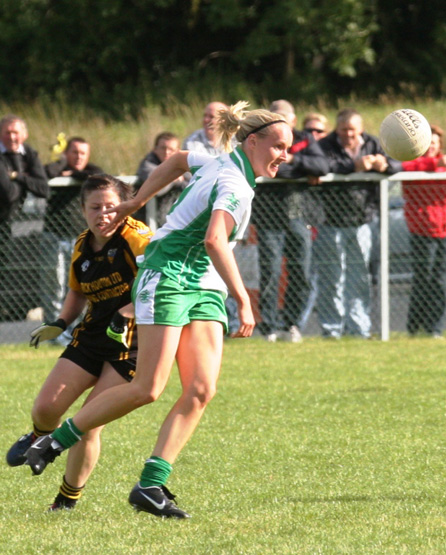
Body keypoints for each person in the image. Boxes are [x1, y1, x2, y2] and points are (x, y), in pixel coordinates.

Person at [24, 101, 293, 519]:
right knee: (148, 388)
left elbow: (179, 159)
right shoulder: (234, 183)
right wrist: (243, 299)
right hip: (166, 274)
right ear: (253, 141)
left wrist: (136, 202)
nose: (284, 155)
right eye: (278, 146)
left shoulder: (220, 163)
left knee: (201, 390)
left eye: (288, 148)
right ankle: (54, 440)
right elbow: (214, 240)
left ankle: (150, 485)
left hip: (202, 283)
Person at [6, 174, 153, 511]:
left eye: (111, 207)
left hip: (131, 348)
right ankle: (38, 435)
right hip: (90, 338)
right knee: (45, 408)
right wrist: (60, 321)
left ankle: (66, 499)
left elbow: (159, 283)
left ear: (126, 207)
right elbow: (77, 289)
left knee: (87, 424)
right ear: (83, 210)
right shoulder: (82, 244)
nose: (104, 214)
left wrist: (128, 311)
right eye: (95, 207)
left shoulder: (139, 239)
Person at [316, 108, 402, 339]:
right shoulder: (325, 145)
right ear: (337, 128)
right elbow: (319, 166)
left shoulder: (374, 144)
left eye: (352, 131)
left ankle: (359, 329)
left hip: (363, 222)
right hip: (330, 221)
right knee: (331, 279)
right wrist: (354, 167)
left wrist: (383, 166)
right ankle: (331, 330)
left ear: (361, 129)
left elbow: (398, 164)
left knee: (360, 278)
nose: (348, 135)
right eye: (343, 130)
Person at [253, 100, 329, 342]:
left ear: (293, 121)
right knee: (271, 271)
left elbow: (321, 166)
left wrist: (294, 161)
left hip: (299, 215)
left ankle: (292, 324)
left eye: (283, 119)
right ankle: (270, 328)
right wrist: (300, 171)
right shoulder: (259, 137)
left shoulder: (306, 138)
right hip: (267, 214)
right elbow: (264, 168)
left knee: (301, 270)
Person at [182, 101, 239, 333]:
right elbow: (194, 177)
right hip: (201, 215)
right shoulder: (193, 141)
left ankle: (232, 322)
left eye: (213, 116)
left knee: (230, 269)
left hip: (229, 212)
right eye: (205, 115)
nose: (207, 120)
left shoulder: (238, 142)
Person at [41, 137, 104, 345]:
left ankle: (76, 333)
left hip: (81, 240)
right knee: (55, 286)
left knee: (80, 287)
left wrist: (74, 174)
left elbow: (99, 176)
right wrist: (61, 164)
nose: (79, 157)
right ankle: (53, 334)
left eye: (83, 153)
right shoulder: (56, 170)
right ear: (66, 153)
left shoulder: (89, 173)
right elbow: (44, 174)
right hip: (55, 238)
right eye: (74, 152)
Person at [401, 125, 446, 338]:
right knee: (423, 278)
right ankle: (414, 326)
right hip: (421, 230)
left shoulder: (445, 167)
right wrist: (433, 164)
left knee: (441, 280)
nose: (431, 147)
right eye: (427, 143)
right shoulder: (415, 164)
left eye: (435, 143)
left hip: (445, 231)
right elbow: (402, 167)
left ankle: (435, 328)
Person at [0, 114, 48, 239]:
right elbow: (8, 194)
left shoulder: (29, 153)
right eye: (7, 133)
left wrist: (16, 176)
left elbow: (44, 189)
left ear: (24, 135)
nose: (11, 137)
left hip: (9, 220)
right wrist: (28, 182)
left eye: (15, 132)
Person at [135, 131, 188, 227]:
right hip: (148, 221)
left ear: (177, 151)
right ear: (155, 149)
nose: (166, 152)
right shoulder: (147, 165)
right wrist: (173, 177)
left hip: (177, 220)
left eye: (171, 149)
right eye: (163, 148)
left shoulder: (184, 163)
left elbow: (193, 183)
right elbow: (157, 189)